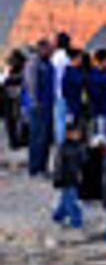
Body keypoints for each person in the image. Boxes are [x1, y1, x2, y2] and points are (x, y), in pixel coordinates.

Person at [25, 39, 54, 176]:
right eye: (48, 48)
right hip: (38, 107)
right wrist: (36, 102)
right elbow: (32, 84)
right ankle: (34, 167)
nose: (50, 51)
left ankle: (43, 166)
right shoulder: (34, 63)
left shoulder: (48, 63)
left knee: (45, 138)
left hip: (48, 105)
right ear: (41, 48)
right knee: (36, 137)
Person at [52, 120, 86, 229]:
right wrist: (58, 178)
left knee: (65, 200)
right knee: (72, 201)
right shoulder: (63, 148)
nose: (78, 134)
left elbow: (82, 161)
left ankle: (58, 215)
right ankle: (76, 221)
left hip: (74, 178)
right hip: (67, 178)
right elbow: (58, 165)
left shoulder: (78, 147)